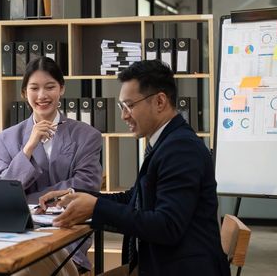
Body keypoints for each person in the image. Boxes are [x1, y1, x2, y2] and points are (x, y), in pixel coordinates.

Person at [37, 60, 230, 276]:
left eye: (129, 106)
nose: (124, 115)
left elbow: (167, 226)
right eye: (122, 107)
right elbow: (135, 198)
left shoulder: (180, 148)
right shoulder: (166, 141)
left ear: (159, 101)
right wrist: (78, 195)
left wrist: (96, 207)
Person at [0, 56, 102, 274]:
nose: (42, 95)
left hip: (69, 232)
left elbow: (86, 186)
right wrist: (29, 148)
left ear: (61, 89)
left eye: (50, 87)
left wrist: (26, 198)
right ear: (24, 93)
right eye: (34, 88)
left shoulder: (87, 135)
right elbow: (1, 193)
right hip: (19, 234)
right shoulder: (5, 139)